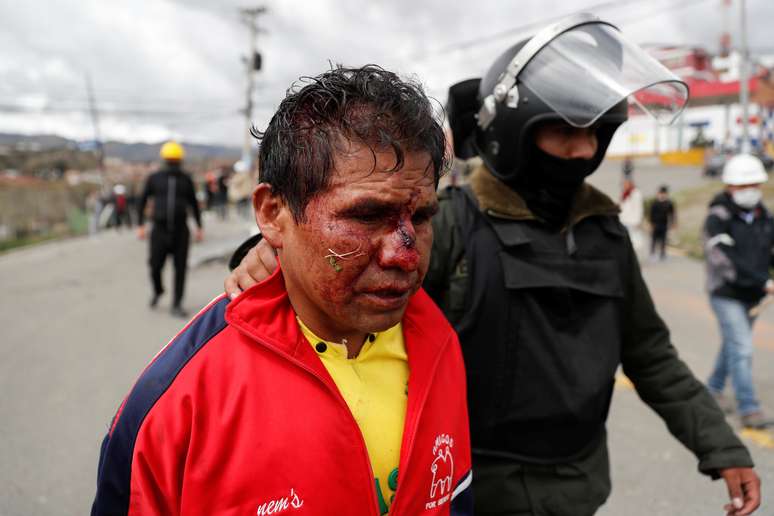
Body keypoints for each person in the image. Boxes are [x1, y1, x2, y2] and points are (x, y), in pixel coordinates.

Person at [226, 14, 760, 516]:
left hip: (579, 486)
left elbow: (650, 354)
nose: (582, 151)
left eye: (595, 134)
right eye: (565, 132)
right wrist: (269, 252)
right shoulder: (450, 224)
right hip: (465, 486)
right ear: (517, 133)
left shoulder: (606, 233)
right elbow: (339, 295)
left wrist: (718, 444)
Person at [92, 65, 473, 516]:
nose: (406, 254)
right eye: (367, 216)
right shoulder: (180, 396)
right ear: (273, 214)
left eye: (423, 218)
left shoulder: (439, 343)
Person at [704, 153, 774, 430]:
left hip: (753, 295)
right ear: (729, 186)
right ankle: (749, 408)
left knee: (734, 343)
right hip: (726, 294)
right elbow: (724, 261)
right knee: (742, 347)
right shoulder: (717, 218)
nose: (749, 190)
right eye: (743, 186)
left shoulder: (765, 216)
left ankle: (712, 389)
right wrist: (763, 282)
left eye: (754, 185)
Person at [136, 141, 203, 317]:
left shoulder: (186, 179)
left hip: (181, 231)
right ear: (165, 160)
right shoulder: (154, 178)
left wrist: (199, 226)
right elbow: (142, 200)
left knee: (180, 269)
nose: (173, 164)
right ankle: (158, 290)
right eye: (170, 160)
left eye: (175, 160)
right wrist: (140, 225)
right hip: (159, 229)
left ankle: (177, 304)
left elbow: (194, 204)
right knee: (154, 265)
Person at [648, 184, 676, 260]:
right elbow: (651, 214)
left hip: (664, 224)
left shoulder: (669, 203)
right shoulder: (655, 203)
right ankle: (652, 253)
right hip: (655, 224)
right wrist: (651, 223)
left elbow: (672, 214)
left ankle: (662, 254)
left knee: (663, 240)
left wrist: (673, 223)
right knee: (654, 239)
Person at [619, 177, 644, 252]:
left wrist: (638, 220)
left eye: (626, 184)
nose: (624, 186)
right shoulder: (625, 193)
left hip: (633, 220)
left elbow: (638, 208)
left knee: (634, 239)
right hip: (624, 219)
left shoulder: (636, 194)